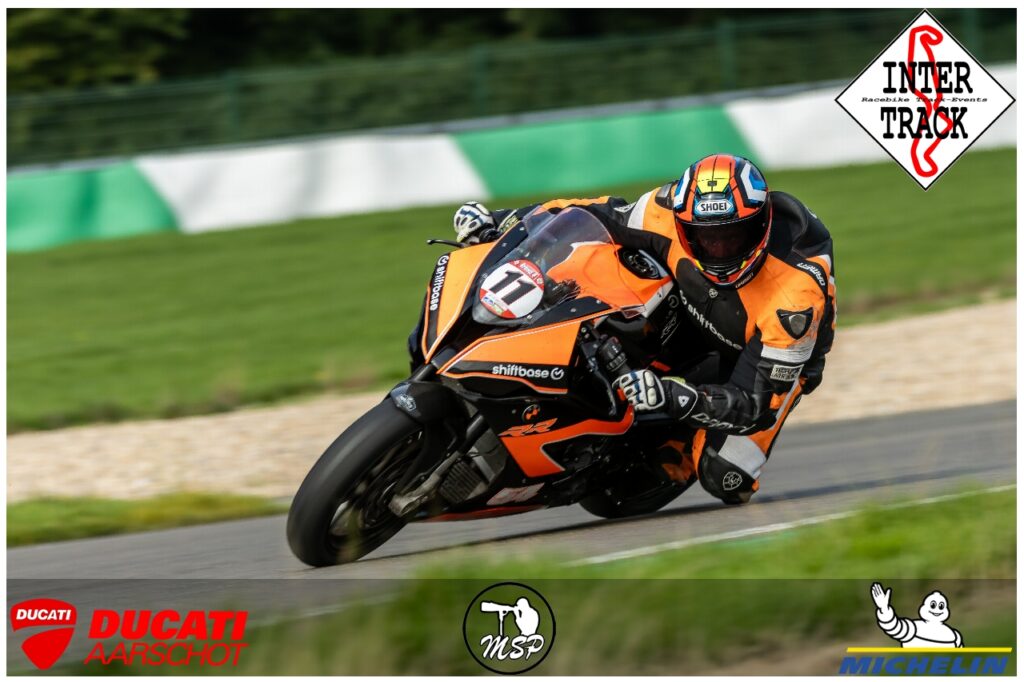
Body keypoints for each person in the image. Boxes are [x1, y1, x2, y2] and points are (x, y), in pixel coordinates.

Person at [449, 154, 837, 505]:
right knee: (607, 262)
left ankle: (680, 442)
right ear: (684, 225)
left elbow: (754, 407)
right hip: (692, 307)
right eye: (705, 237)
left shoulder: (795, 300)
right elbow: (590, 214)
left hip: (760, 356)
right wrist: (502, 222)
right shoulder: (665, 213)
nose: (719, 249)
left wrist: (676, 397)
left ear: (761, 225)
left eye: (732, 237)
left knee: (725, 476)